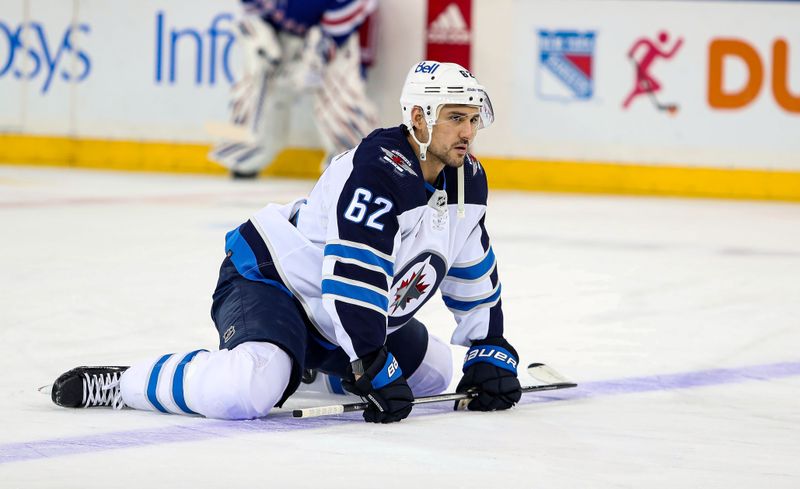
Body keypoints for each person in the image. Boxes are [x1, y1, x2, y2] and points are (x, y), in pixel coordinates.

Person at [51, 60, 523, 424]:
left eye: (473, 120)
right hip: (274, 282)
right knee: (246, 390)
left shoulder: (466, 180)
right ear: (419, 118)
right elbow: (353, 274)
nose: (467, 132)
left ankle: (314, 366)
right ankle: (124, 384)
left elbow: (470, 266)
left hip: (337, 317)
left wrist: (489, 346)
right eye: (455, 118)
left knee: (436, 373)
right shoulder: (378, 171)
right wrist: (371, 361)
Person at [210, 0, 379, 179]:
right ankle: (246, 151)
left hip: (334, 31)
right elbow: (251, 12)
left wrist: (320, 53)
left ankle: (358, 161)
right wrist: (259, 34)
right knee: (254, 79)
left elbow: (355, 5)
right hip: (282, 31)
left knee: (338, 100)